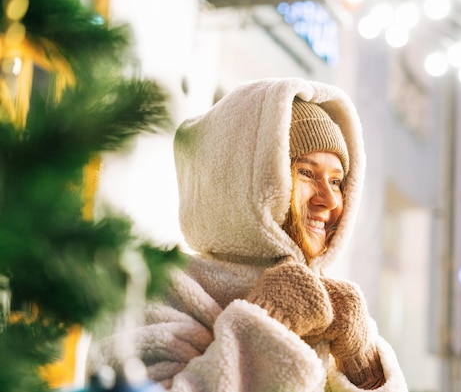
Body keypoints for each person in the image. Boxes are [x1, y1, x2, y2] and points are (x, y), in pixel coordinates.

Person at [94, 77, 408, 391]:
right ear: (247, 181)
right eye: (307, 173)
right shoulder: (160, 292)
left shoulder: (336, 312)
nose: (329, 200)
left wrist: (362, 365)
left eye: (337, 181)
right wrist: (267, 323)